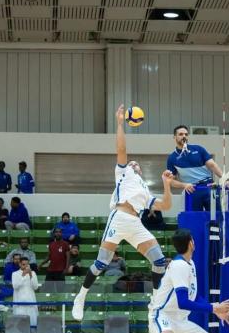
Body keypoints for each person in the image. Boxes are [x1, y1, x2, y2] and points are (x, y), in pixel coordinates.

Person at [72, 105, 173, 321]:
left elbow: (165, 206)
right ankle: (81, 297)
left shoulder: (145, 190)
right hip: (119, 218)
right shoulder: (123, 172)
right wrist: (119, 123)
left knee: (159, 261)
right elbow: (121, 149)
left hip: (136, 224)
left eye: (136, 163)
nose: (133, 162)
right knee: (100, 264)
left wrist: (166, 184)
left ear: (141, 170)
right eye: (132, 161)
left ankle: (155, 301)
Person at [149, 229, 229, 333]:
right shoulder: (179, 265)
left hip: (181, 321)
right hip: (162, 315)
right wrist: (213, 308)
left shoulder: (190, 263)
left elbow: (194, 296)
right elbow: (183, 302)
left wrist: (215, 309)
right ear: (191, 243)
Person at [167, 125, 225, 211]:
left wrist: (225, 179)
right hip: (192, 190)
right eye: (181, 134)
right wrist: (184, 185)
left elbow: (212, 165)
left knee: (216, 216)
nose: (184, 136)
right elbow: (170, 181)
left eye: (186, 134)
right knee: (195, 220)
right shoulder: (172, 158)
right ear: (174, 137)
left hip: (209, 187)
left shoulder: (198, 149)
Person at [12, 256, 39, 333]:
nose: (25, 267)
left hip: (31, 304)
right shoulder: (15, 274)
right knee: (20, 328)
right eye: (23, 265)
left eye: (27, 265)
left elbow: (35, 287)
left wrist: (30, 275)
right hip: (20, 305)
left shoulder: (33, 273)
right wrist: (23, 275)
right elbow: (15, 286)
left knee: (32, 326)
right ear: (20, 264)